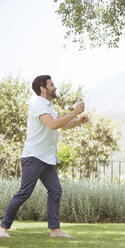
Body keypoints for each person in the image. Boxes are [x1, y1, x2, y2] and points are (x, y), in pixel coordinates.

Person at [0, 75, 89, 238]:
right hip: (34, 157)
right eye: (52, 84)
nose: (55, 87)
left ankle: (55, 230)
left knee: (55, 190)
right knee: (24, 192)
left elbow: (62, 124)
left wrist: (78, 120)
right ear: (43, 88)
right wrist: (74, 111)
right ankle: (2, 228)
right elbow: (53, 124)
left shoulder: (49, 107)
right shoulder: (39, 105)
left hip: (46, 158)